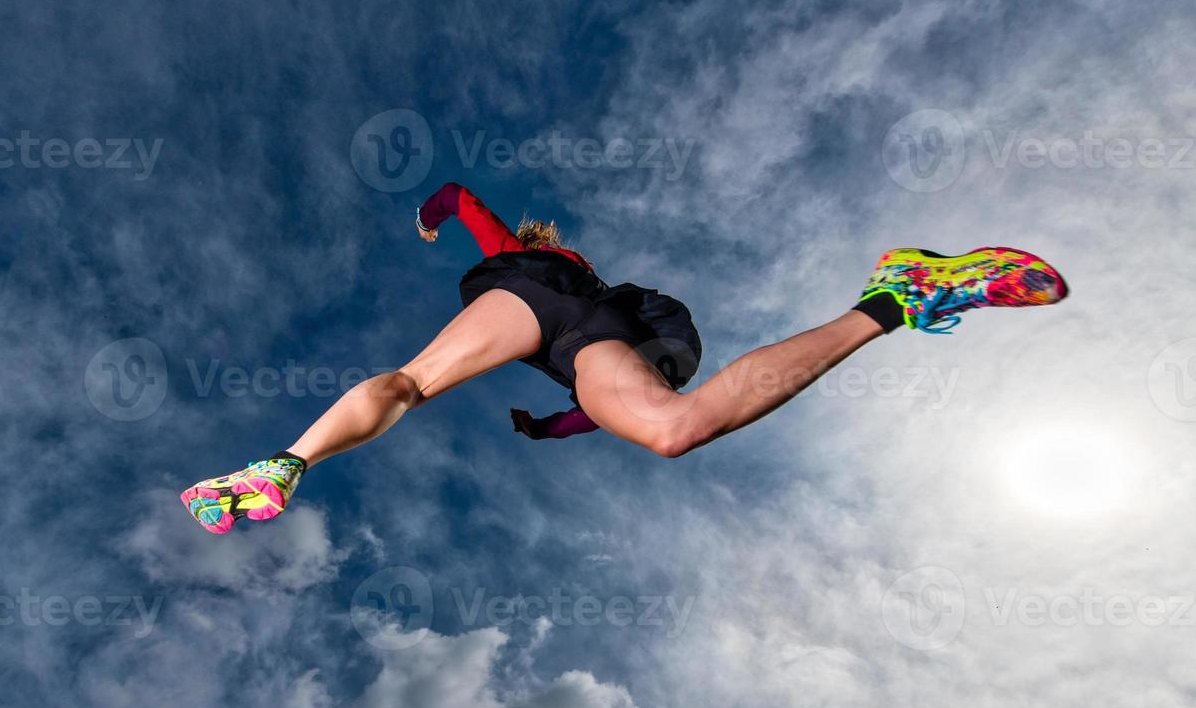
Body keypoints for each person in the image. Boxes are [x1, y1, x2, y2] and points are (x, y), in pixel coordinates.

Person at [181, 182, 1069, 534]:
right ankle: (898, 298)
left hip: (538, 303)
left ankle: (284, 462)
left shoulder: (518, 253)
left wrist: (437, 210)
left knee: (413, 383)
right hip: (590, 341)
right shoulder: (598, 296)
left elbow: (464, 199)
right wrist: (555, 428)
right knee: (672, 429)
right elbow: (586, 406)